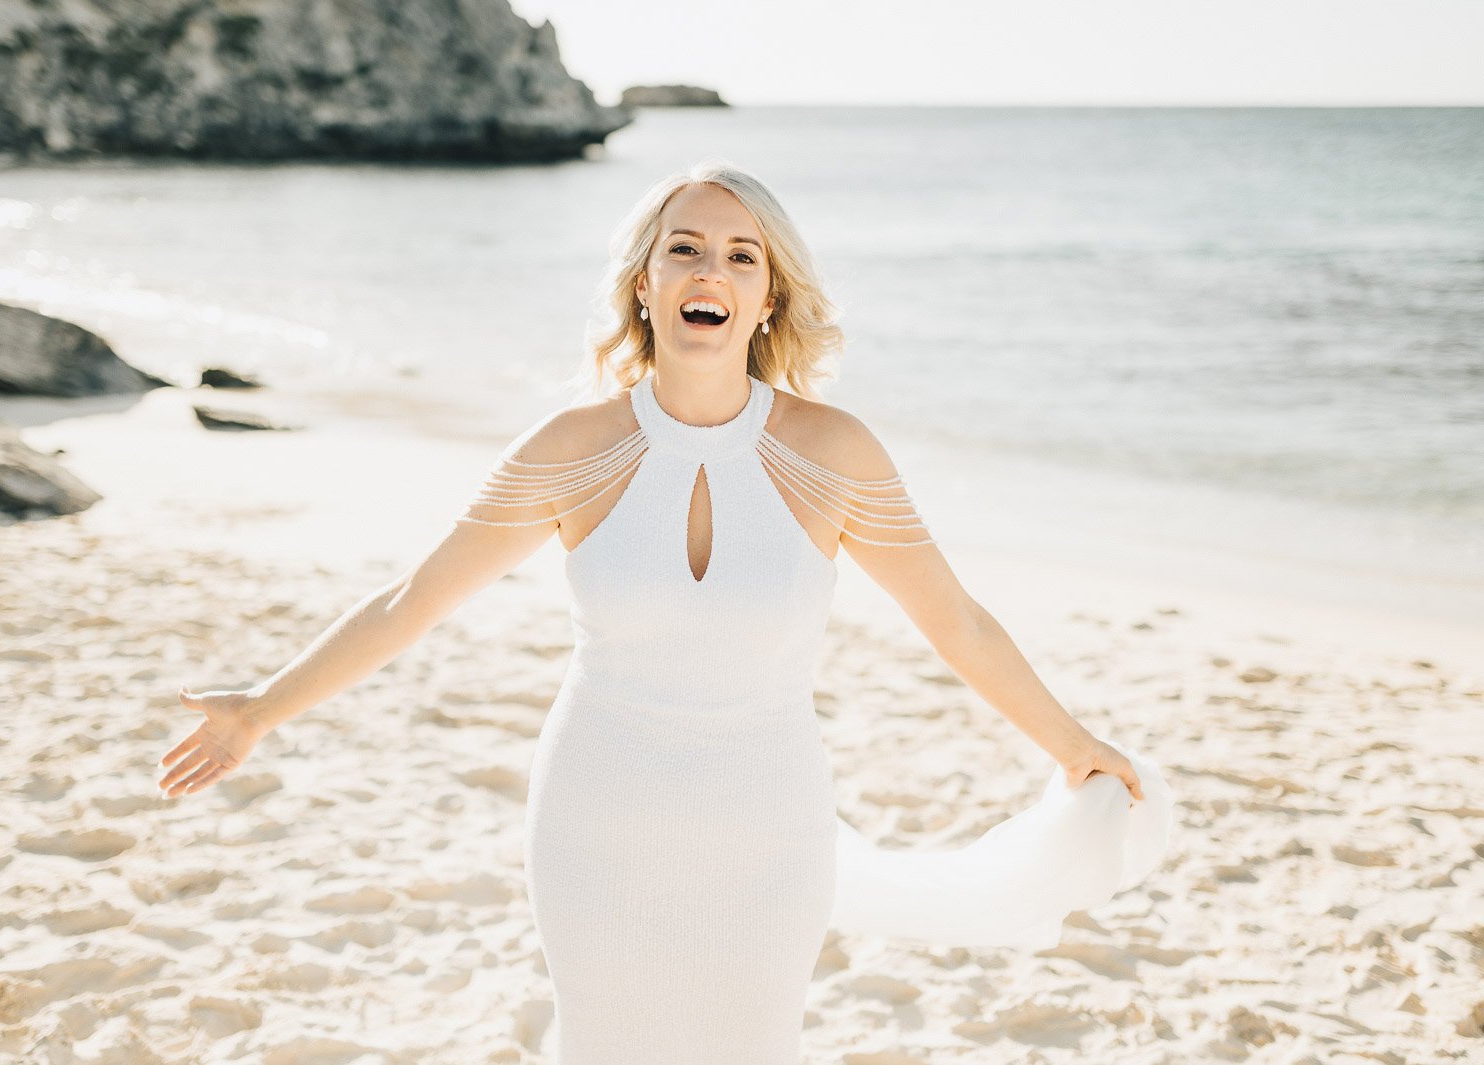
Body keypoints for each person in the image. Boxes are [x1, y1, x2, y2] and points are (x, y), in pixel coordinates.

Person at [158, 159, 1173, 1064]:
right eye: (683, 249)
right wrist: (259, 710)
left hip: (770, 825)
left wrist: (1070, 741)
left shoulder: (833, 453)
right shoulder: (571, 448)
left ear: (769, 295)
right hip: (596, 815)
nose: (709, 273)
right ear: (643, 282)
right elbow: (410, 602)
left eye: (741, 256)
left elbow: (958, 625)